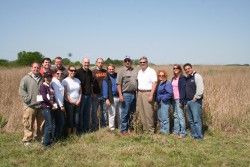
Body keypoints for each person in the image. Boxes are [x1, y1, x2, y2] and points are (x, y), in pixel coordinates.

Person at [19, 62, 44, 146]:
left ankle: (39, 137)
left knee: (41, 124)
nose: (36, 69)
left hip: (40, 105)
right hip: (30, 106)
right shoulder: (26, 78)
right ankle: (27, 139)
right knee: (28, 123)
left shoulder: (42, 78)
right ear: (31, 68)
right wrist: (28, 99)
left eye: (38, 68)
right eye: (35, 67)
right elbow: (22, 90)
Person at [116, 56, 138, 135]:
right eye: (126, 61)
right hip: (125, 94)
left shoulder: (135, 70)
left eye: (129, 60)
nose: (127, 62)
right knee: (125, 112)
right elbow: (118, 84)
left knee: (132, 112)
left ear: (131, 61)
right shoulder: (121, 71)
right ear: (124, 62)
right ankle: (124, 130)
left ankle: (131, 127)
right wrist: (121, 95)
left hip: (134, 94)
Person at [183, 63, 204, 140]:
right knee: (191, 120)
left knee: (196, 120)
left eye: (188, 68)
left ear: (191, 68)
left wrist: (196, 98)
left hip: (195, 102)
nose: (187, 70)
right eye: (185, 69)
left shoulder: (197, 76)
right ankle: (193, 134)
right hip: (188, 102)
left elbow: (200, 89)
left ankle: (199, 137)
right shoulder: (188, 78)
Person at [137, 56, 157, 133]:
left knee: (149, 113)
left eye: (144, 62)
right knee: (142, 113)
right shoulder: (139, 72)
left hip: (147, 93)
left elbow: (154, 83)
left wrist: (151, 95)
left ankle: (151, 131)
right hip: (140, 93)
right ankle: (145, 130)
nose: (142, 63)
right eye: (141, 62)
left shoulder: (151, 71)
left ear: (147, 62)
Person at [62, 66, 82, 135]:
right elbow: (65, 93)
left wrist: (79, 100)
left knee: (76, 119)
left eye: (74, 71)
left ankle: (74, 134)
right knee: (70, 119)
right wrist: (70, 101)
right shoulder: (65, 81)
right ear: (68, 71)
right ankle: (69, 135)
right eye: (71, 70)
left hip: (77, 102)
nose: (73, 72)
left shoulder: (77, 80)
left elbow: (80, 92)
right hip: (69, 103)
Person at [75, 58, 93, 133]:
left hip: (89, 96)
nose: (86, 64)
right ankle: (80, 130)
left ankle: (86, 129)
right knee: (80, 113)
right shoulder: (78, 72)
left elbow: (91, 84)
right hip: (81, 96)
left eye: (88, 63)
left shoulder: (90, 72)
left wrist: (92, 94)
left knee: (87, 113)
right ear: (82, 63)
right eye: (85, 62)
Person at [39, 71, 57, 147]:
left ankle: (50, 140)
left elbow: (53, 96)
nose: (49, 78)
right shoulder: (43, 86)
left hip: (51, 107)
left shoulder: (50, 86)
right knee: (48, 126)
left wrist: (55, 104)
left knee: (52, 124)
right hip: (46, 108)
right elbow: (44, 98)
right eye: (47, 77)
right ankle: (46, 143)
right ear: (44, 78)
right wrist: (51, 105)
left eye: (50, 77)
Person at [102, 64, 121, 132]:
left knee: (120, 113)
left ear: (114, 69)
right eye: (109, 69)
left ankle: (120, 127)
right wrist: (106, 99)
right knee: (112, 114)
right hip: (111, 98)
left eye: (112, 69)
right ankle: (112, 128)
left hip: (119, 97)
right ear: (107, 70)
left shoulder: (117, 76)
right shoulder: (106, 78)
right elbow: (105, 89)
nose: (111, 70)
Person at [91, 58, 107, 131]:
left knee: (104, 111)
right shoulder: (93, 72)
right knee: (94, 111)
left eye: (101, 63)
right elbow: (90, 84)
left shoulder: (106, 72)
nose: (100, 64)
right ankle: (95, 126)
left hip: (104, 94)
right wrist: (93, 94)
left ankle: (104, 126)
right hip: (96, 95)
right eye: (99, 62)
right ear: (96, 63)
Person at [171, 64, 187, 138]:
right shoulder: (173, 78)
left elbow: (183, 90)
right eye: (174, 68)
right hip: (174, 99)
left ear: (180, 69)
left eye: (177, 68)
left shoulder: (182, 78)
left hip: (179, 99)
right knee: (175, 115)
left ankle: (183, 133)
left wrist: (181, 100)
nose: (175, 69)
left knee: (181, 116)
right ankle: (176, 131)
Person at [156, 70, 173, 134]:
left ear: (165, 76)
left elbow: (170, 93)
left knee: (165, 117)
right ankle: (162, 129)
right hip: (159, 102)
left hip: (165, 102)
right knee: (160, 116)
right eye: (159, 75)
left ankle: (166, 131)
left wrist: (163, 98)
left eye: (162, 75)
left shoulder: (167, 83)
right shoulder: (158, 83)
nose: (161, 76)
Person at [51, 69, 65, 140]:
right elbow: (56, 95)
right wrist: (61, 105)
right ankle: (55, 138)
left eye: (61, 73)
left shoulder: (60, 81)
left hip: (60, 104)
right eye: (57, 73)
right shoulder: (54, 82)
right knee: (59, 122)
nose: (59, 75)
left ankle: (57, 137)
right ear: (54, 74)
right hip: (57, 105)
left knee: (59, 122)